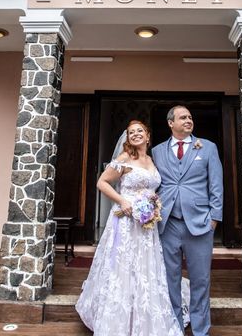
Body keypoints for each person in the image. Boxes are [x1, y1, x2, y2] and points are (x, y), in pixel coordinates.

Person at [75, 120, 182, 336]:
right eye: (131, 132)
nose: (135, 135)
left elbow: (152, 188)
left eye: (139, 131)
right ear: (127, 138)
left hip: (146, 223)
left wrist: (153, 205)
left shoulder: (151, 160)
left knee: (144, 268)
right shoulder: (125, 159)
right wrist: (124, 201)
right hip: (125, 221)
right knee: (123, 267)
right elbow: (102, 182)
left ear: (148, 136)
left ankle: (143, 317)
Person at [153, 105, 223, 336]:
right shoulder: (157, 151)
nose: (188, 120)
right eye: (183, 117)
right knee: (170, 279)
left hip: (201, 223)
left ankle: (201, 330)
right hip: (168, 223)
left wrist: (214, 218)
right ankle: (175, 327)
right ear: (170, 123)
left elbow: (216, 185)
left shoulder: (208, 147)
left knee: (200, 280)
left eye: (190, 117)